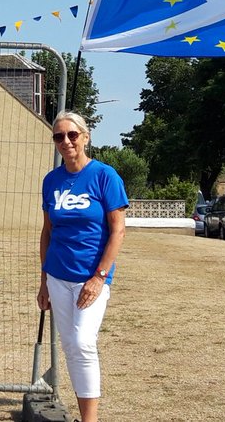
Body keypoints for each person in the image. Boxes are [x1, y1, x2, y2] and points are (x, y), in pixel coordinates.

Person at [36, 111, 128, 422]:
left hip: (91, 277)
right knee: (71, 347)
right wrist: (44, 281)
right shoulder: (52, 180)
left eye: (72, 135)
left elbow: (118, 230)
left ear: (85, 137)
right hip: (58, 277)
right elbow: (47, 232)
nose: (66, 141)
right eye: (59, 136)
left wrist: (100, 276)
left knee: (83, 342)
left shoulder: (105, 176)